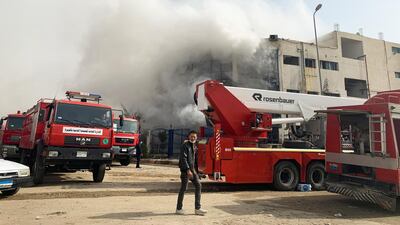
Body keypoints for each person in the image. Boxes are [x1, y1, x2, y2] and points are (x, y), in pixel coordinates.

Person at [176, 130, 207, 216]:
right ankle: (179, 208)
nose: (193, 138)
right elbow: (183, 158)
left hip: (193, 171)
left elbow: (194, 161)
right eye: (191, 136)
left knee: (198, 185)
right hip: (186, 171)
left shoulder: (194, 146)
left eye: (194, 137)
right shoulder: (185, 146)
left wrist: (198, 172)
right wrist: (187, 170)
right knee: (184, 189)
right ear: (188, 137)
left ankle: (197, 209)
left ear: (196, 138)